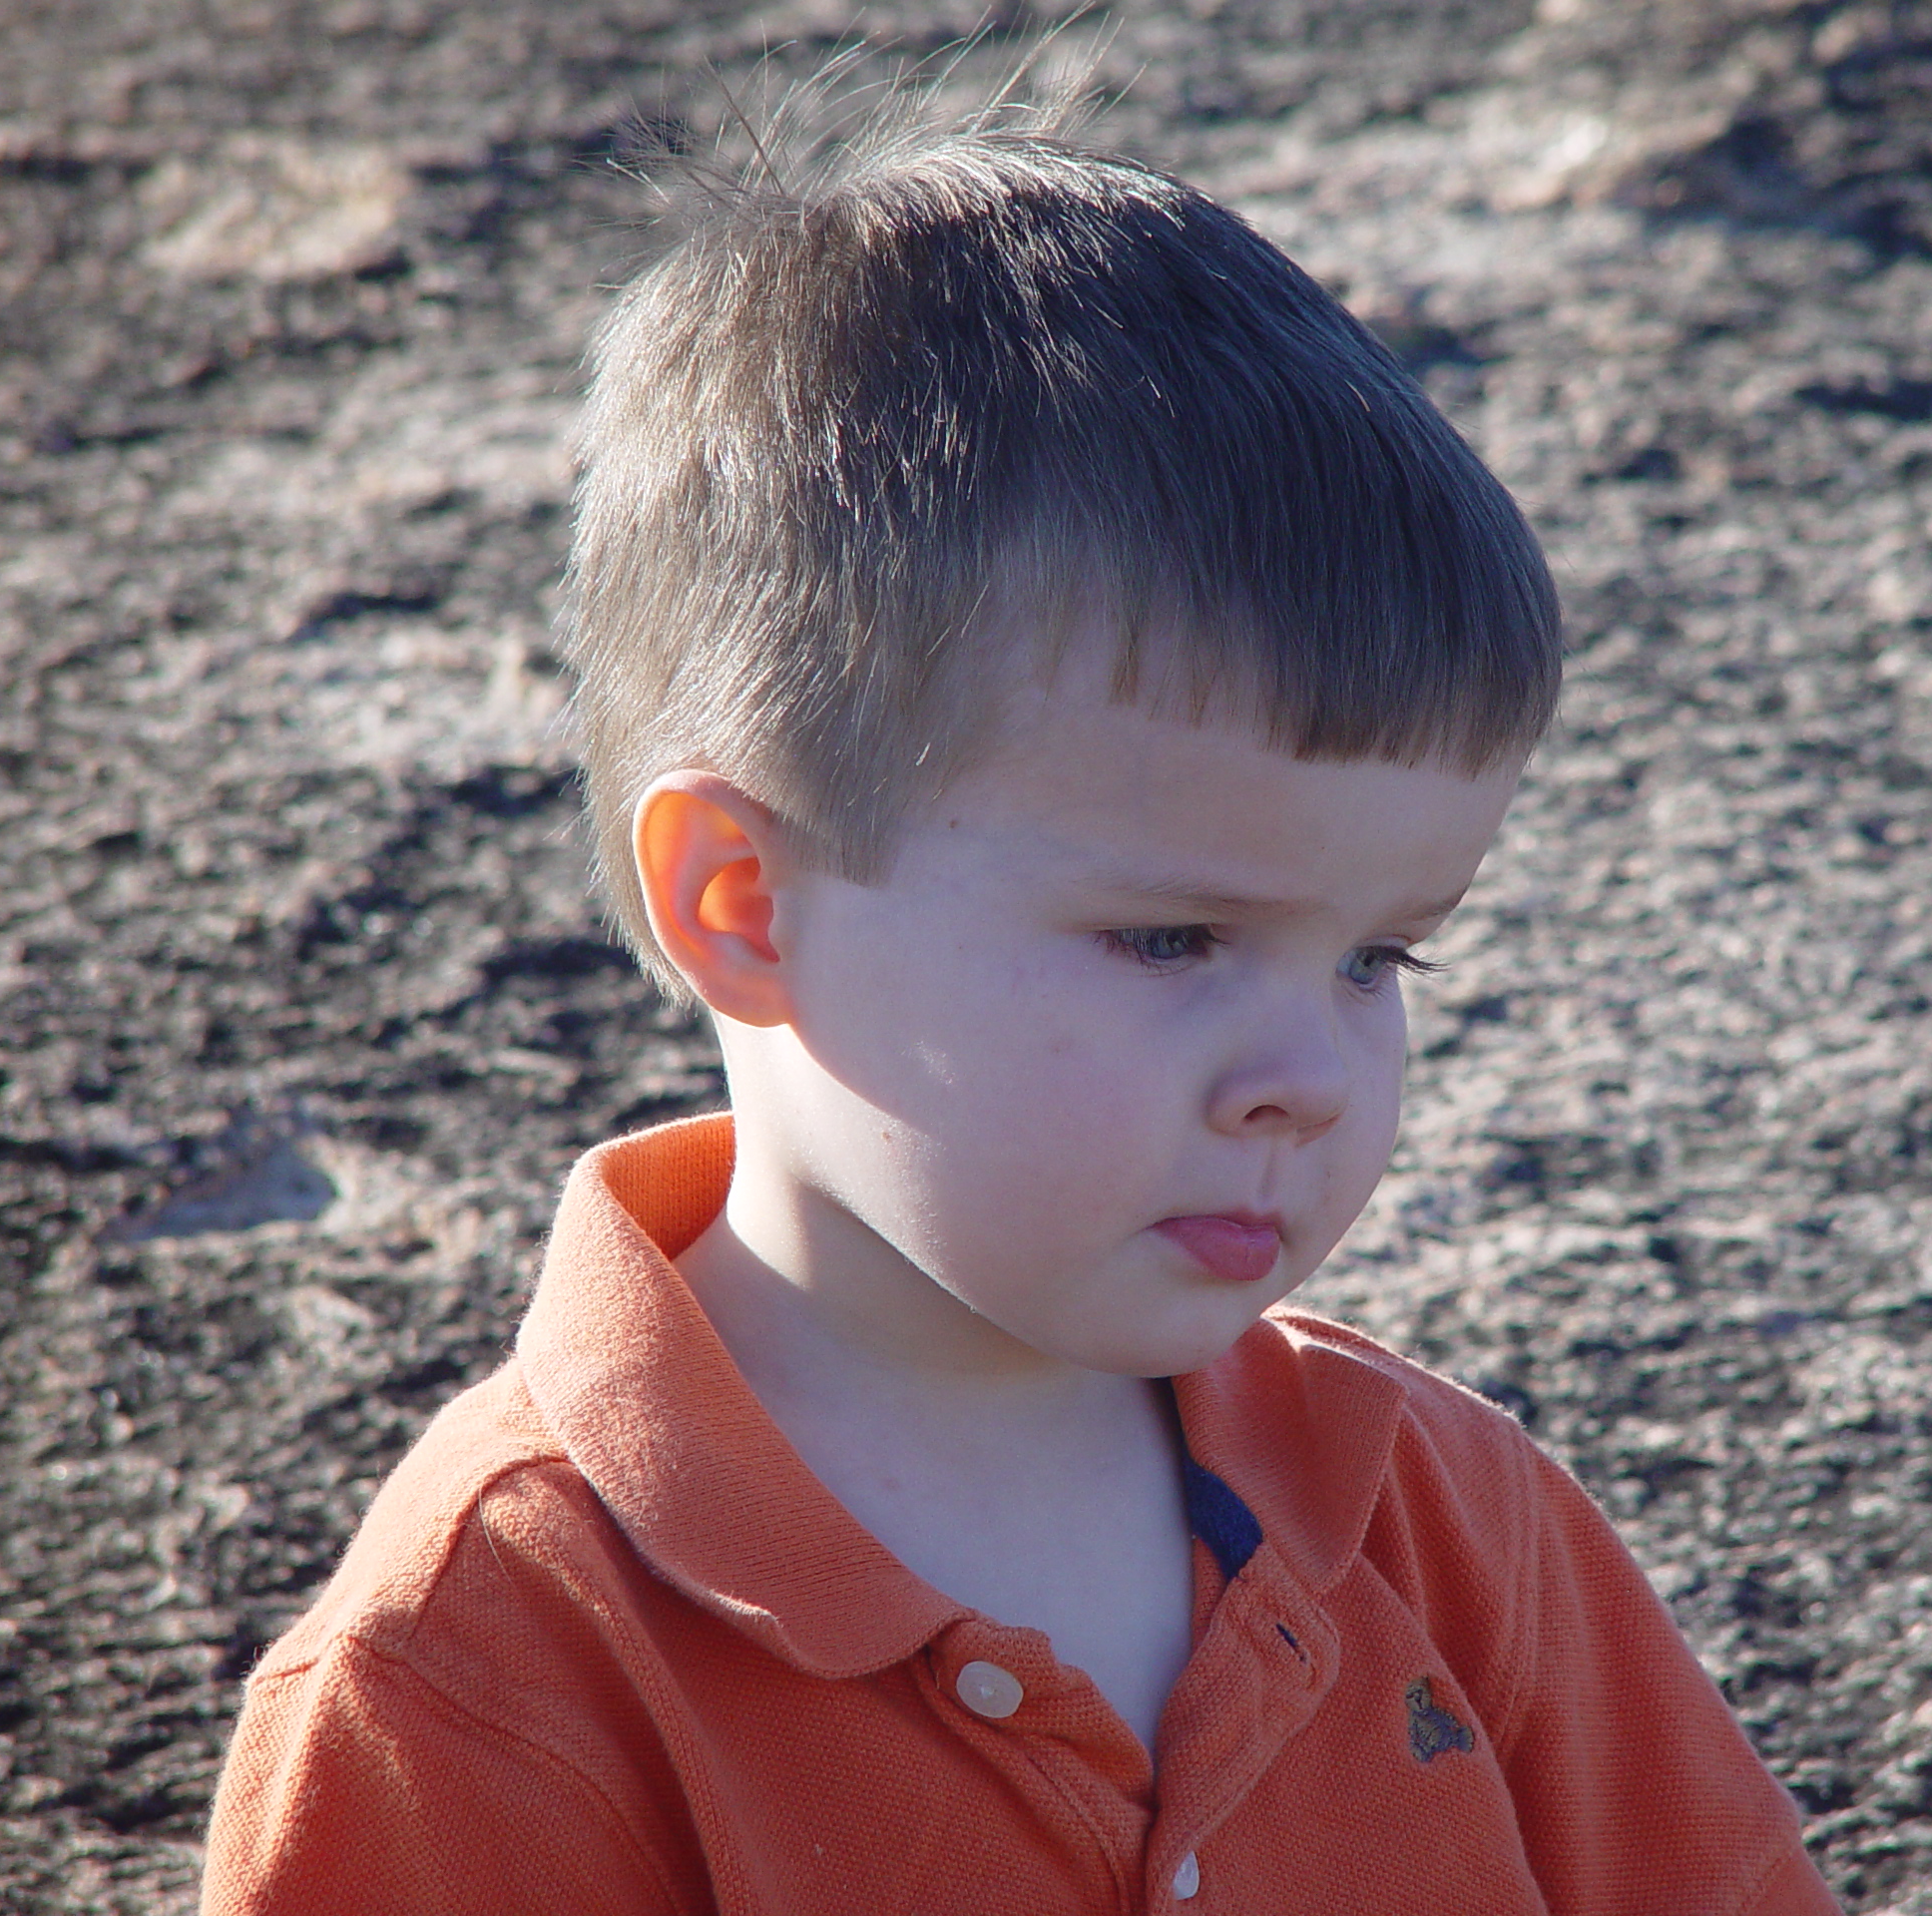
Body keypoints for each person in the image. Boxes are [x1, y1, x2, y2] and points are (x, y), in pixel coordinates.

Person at [200, 75, 1840, 1916]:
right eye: (1172, 939)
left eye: (1380, 957)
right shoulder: (490, 1673)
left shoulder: (1444, 1523)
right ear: (744, 901)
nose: (1309, 1076)